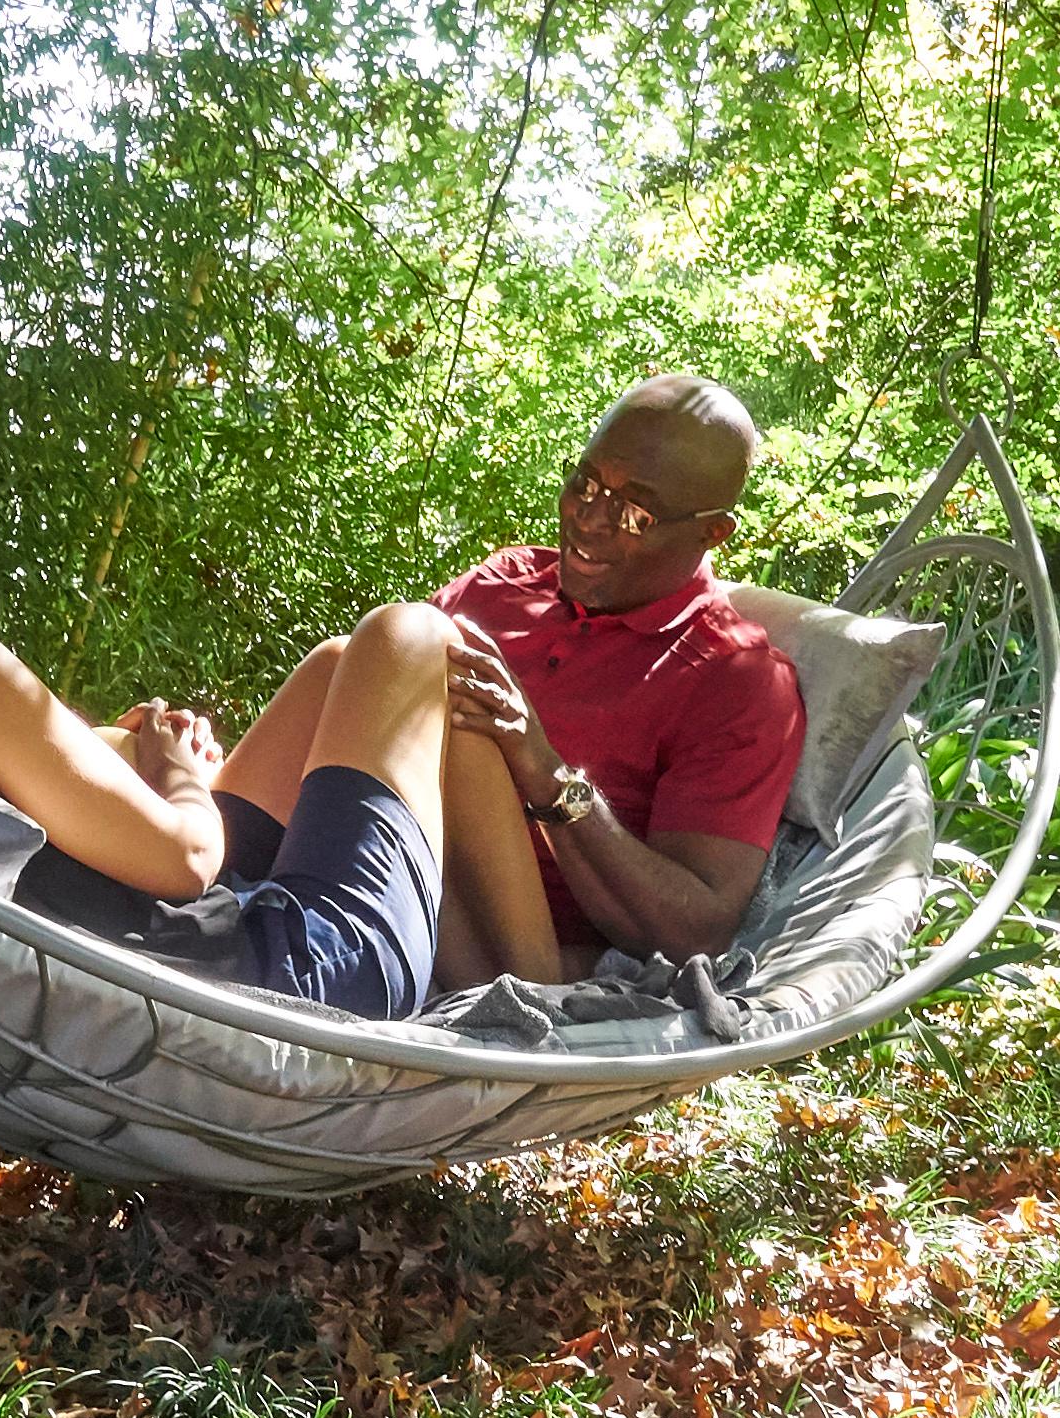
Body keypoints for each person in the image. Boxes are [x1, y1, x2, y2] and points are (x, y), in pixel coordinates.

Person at [0, 295, 558, 1016]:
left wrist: (123, 754)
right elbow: (186, 860)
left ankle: (492, 966)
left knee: (334, 670)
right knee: (414, 641)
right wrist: (179, 773)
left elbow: (10, 809)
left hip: (181, 957)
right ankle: (548, 999)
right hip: (278, 981)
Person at [220, 377, 802, 985]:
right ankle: (197, 876)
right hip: (353, 867)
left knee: (450, 693)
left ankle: (305, 952)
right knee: (343, 661)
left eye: (635, 512)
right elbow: (376, 721)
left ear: (712, 532)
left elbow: (694, 932)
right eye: (585, 483)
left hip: (499, 961)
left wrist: (546, 773)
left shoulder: (736, 679)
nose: (589, 519)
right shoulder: (508, 579)